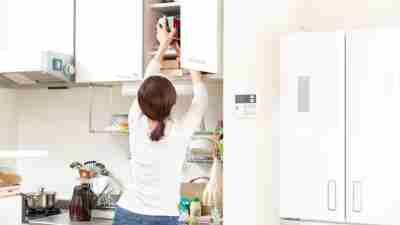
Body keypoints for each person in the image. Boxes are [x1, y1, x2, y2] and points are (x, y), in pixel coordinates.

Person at [113, 17, 208, 225]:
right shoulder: (180, 132)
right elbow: (200, 98)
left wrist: (163, 44)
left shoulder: (135, 121)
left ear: (141, 101)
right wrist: (189, 60)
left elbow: (147, 81)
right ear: (172, 104)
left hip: (126, 212)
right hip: (161, 218)